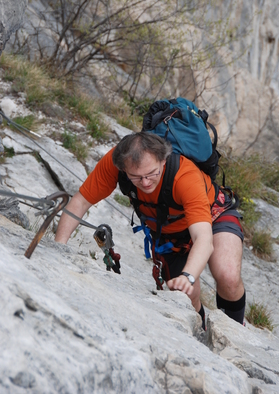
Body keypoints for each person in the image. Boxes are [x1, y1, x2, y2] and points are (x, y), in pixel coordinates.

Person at [55, 132, 245, 329]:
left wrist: (188, 276)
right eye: (136, 177)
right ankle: (202, 333)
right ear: (123, 168)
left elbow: (203, 239)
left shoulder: (185, 176)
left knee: (227, 275)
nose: (145, 183)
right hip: (169, 233)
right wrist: (59, 246)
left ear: (164, 160)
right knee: (187, 296)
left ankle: (236, 332)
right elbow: (81, 201)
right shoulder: (116, 163)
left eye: (152, 174)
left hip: (214, 215)